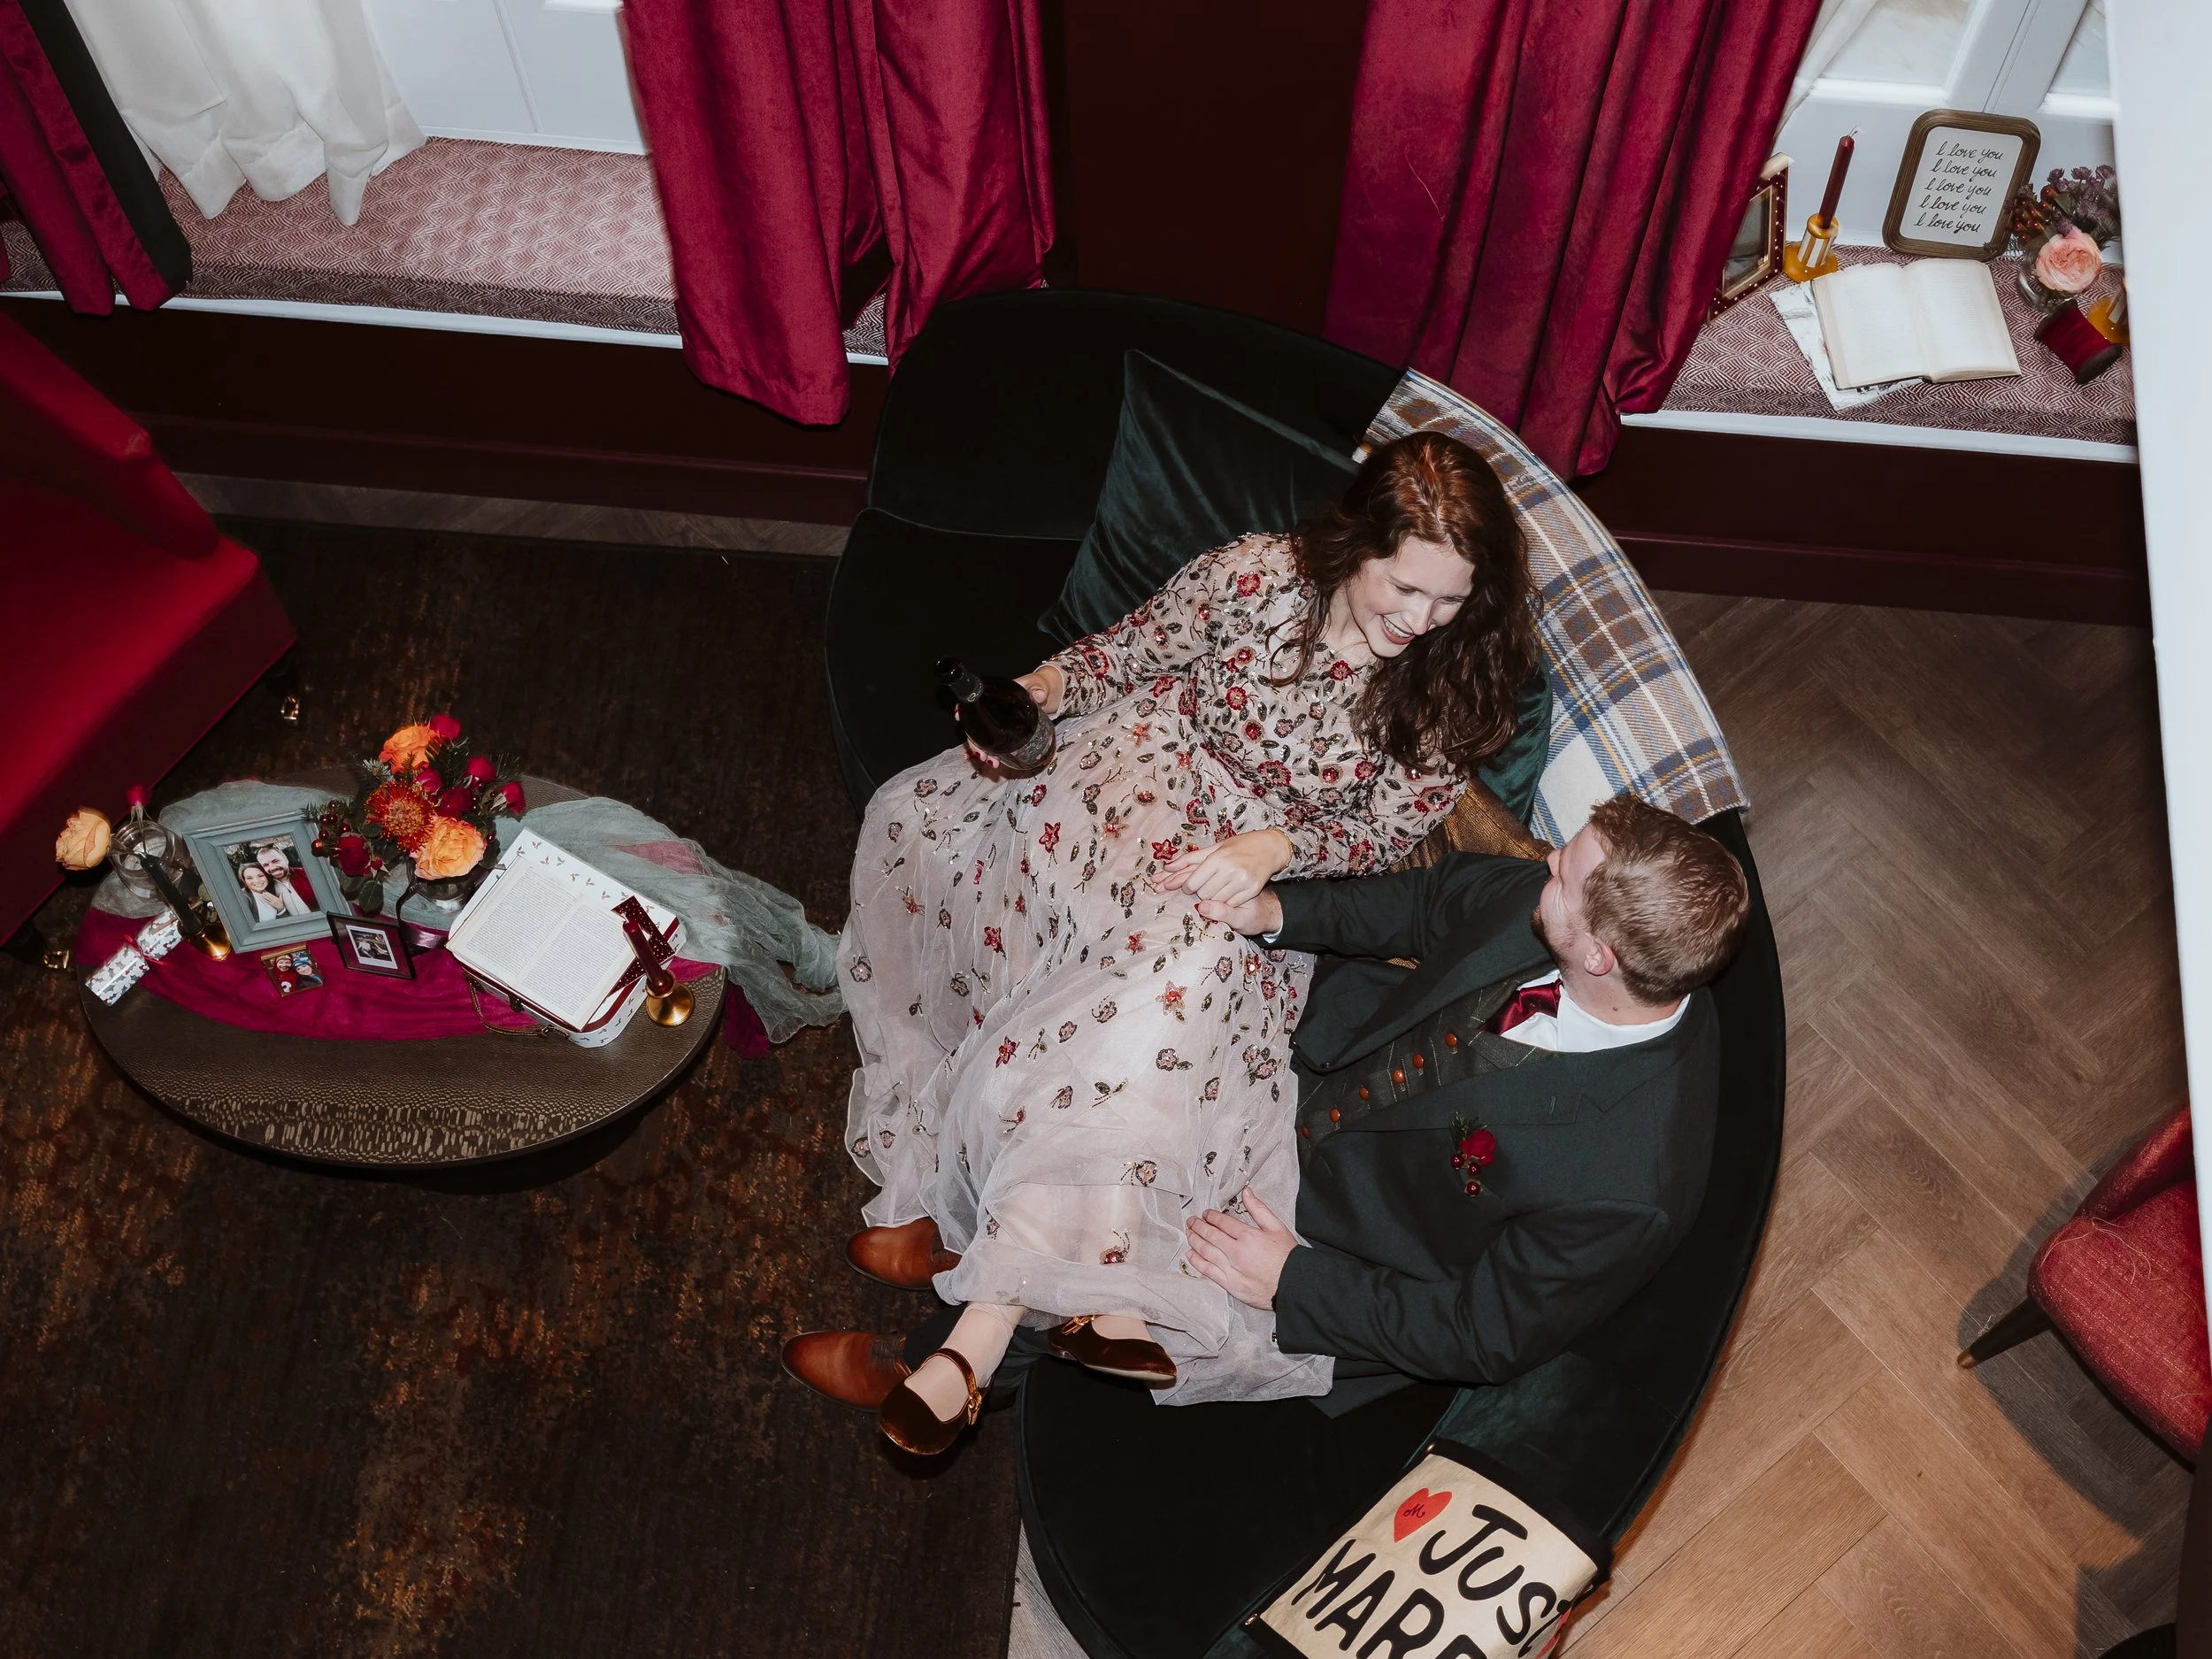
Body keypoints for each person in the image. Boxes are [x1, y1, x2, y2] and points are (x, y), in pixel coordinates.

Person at [829, 432, 1542, 1454]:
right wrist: (1036, 694)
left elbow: (1385, 833)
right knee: (1180, 975)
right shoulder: (1255, 574)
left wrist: (1279, 841)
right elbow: (1123, 656)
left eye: (1447, 600)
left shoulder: (1455, 680)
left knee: (1186, 982)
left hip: (1254, 878)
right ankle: (1099, 1274)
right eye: (1405, 587)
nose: (1420, 621)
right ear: (1356, 545)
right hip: (1123, 790)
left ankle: (977, 1337)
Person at [786, 792, 1748, 1430]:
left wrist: (1295, 1279)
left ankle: (949, 1359)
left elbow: (1483, 1335)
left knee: (1146, 1255)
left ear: (1600, 958)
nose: (1538, 867)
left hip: (1335, 1243)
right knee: (1136, 1027)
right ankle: (972, 1247)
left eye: (1559, 876)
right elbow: (1424, 905)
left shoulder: (1634, 1181)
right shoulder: (1560, 914)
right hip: (1304, 1069)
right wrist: (1275, 913)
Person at [237, 857, 311, 924]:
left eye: (260, 876)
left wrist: (281, 909)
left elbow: (284, 924)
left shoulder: (274, 891)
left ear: (266, 877)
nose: (257, 881)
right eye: (249, 878)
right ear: (244, 881)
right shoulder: (243, 897)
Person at [256, 841, 319, 914]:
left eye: (276, 861)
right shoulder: (267, 888)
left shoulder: (308, 874)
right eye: (265, 865)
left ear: (286, 860)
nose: (272, 868)